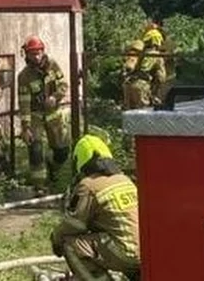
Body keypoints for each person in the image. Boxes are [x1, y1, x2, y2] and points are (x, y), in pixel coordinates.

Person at [52, 135, 141, 281]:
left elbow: (74, 225)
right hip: (147, 252)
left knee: (70, 244)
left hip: (124, 253)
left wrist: (55, 238)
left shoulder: (88, 185)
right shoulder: (125, 180)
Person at [17, 35, 71, 190]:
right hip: (35, 116)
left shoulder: (53, 65)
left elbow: (63, 84)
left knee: (62, 150)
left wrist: (55, 97)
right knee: (35, 150)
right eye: (32, 53)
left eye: (39, 52)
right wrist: (26, 127)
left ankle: (54, 169)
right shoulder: (24, 76)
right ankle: (39, 186)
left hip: (54, 114)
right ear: (26, 55)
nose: (36, 56)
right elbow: (24, 103)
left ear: (43, 51)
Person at [121, 27, 166, 109]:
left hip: (128, 84)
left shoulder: (139, 53)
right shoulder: (156, 56)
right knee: (142, 113)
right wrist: (155, 93)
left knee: (128, 114)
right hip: (141, 86)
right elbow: (161, 78)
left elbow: (128, 68)